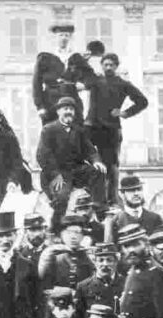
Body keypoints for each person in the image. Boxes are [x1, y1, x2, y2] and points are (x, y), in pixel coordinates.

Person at [84, 52, 148, 206]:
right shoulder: (95, 80)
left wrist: (124, 113)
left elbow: (142, 101)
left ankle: (111, 199)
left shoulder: (123, 84)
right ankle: (91, 195)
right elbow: (79, 79)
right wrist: (84, 60)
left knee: (111, 166)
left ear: (116, 66)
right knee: (88, 162)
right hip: (91, 127)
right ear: (101, 66)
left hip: (110, 130)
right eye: (105, 65)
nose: (108, 67)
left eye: (111, 65)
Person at [36, 96, 107, 231]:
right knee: (62, 198)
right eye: (65, 109)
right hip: (56, 173)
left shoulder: (79, 130)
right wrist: (55, 174)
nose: (68, 112)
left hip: (76, 170)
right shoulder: (48, 130)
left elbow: (89, 149)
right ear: (58, 112)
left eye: (71, 109)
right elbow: (42, 155)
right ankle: (56, 229)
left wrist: (96, 161)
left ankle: (100, 208)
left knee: (97, 172)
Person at [33, 23, 87, 126]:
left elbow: (90, 77)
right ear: (55, 38)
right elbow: (36, 83)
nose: (64, 38)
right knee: (51, 131)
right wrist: (40, 106)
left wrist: (84, 85)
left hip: (72, 98)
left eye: (66, 35)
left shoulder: (76, 58)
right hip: (51, 100)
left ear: (70, 38)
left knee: (76, 130)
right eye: (61, 35)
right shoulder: (45, 58)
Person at [39, 214, 95, 293]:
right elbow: (45, 288)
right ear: (61, 234)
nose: (73, 237)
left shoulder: (88, 256)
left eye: (77, 232)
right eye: (68, 232)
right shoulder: (51, 254)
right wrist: (69, 292)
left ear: (83, 235)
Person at [75, 242, 125, 318]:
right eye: (101, 260)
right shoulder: (83, 286)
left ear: (116, 261)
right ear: (94, 262)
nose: (105, 264)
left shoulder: (126, 284)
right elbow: (79, 317)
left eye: (109, 260)